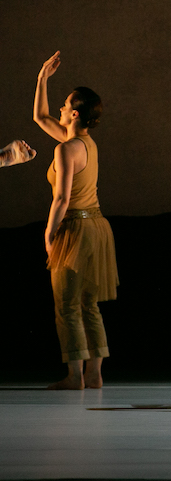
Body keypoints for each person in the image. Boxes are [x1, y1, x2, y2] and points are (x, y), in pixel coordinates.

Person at [33, 51, 119, 390]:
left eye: (64, 105)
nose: (58, 109)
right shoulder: (84, 143)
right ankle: (94, 375)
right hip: (97, 227)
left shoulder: (66, 150)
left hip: (75, 228)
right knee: (88, 304)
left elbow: (62, 198)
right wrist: (42, 78)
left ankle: (74, 376)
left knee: (67, 304)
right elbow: (40, 116)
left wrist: (49, 232)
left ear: (74, 113)